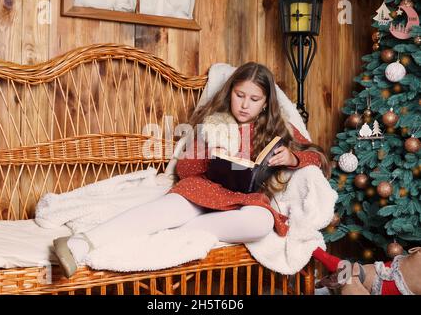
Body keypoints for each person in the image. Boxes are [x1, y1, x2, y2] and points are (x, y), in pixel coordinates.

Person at [53, 62, 345, 279]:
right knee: (169, 207)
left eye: (254, 100)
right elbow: (184, 167)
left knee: (261, 223)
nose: (244, 105)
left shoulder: (279, 127)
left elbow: (316, 156)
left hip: (246, 198)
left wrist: (293, 159)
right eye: (239, 95)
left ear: (266, 102)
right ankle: (79, 244)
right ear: (230, 92)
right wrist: (215, 159)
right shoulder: (214, 122)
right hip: (204, 188)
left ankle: (166, 234)